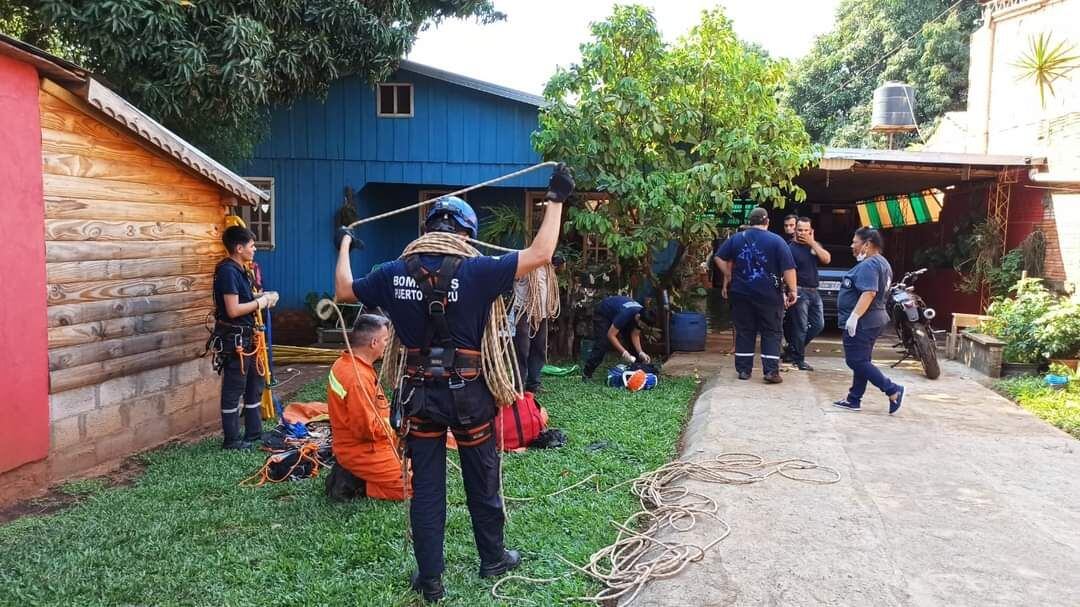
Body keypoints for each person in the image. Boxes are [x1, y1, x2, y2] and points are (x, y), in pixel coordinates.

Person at [333, 165, 574, 603]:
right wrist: (556, 199)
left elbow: (345, 290)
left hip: (419, 396)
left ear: (428, 229)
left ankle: (430, 581)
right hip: (470, 396)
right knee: (482, 479)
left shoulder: (392, 273)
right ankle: (493, 559)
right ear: (465, 233)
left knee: (427, 489)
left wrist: (346, 241)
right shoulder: (479, 270)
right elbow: (541, 253)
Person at [325, 314, 410, 502]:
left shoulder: (348, 363)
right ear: (373, 343)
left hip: (365, 444)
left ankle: (356, 475)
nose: (387, 345)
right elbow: (366, 429)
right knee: (414, 486)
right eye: (386, 340)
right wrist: (395, 427)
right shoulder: (357, 378)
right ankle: (355, 482)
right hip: (363, 449)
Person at [211, 226, 278, 450]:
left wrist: (264, 296)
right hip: (235, 340)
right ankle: (231, 440)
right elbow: (233, 309)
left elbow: (244, 298)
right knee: (234, 389)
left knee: (254, 384)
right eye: (251, 245)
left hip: (249, 338)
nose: (255, 249)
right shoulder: (228, 272)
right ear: (239, 248)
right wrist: (260, 303)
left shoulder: (241, 269)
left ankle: (254, 433)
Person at [715, 207, 796, 383]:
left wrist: (729, 276)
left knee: (745, 330)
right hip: (769, 296)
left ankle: (744, 371)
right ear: (767, 222)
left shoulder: (737, 238)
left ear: (750, 222)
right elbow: (788, 268)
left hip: (741, 293)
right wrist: (793, 290)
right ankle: (770, 372)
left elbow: (719, 257)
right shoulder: (777, 241)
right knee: (771, 331)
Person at [834, 227, 905, 414]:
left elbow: (869, 292)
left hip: (864, 321)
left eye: (855, 242)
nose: (852, 246)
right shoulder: (882, 262)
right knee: (862, 360)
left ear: (867, 244)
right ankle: (854, 399)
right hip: (874, 319)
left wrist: (854, 317)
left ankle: (892, 389)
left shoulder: (869, 265)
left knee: (855, 361)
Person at [784, 217, 831, 371]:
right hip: (799, 290)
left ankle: (792, 349)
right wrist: (790, 291)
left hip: (814, 291)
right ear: (795, 231)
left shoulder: (814, 246)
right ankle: (798, 359)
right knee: (801, 327)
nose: (803, 233)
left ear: (811, 231)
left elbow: (826, 259)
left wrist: (812, 243)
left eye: (806, 230)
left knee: (818, 324)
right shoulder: (790, 248)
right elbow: (786, 271)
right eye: (800, 230)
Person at [511, 255, 563, 394]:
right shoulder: (522, 263)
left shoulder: (547, 266)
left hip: (542, 313)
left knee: (539, 348)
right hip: (523, 311)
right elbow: (513, 278)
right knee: (522, 348)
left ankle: (534, 383)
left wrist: (558, 263)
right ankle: (519, 384)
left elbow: (554, 279)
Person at [582, 295, 656, 380]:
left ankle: (636, 373)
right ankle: (587, 373)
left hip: (619, 313)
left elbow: (635, 335)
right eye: (642, 325)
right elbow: (611, 335)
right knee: (602, 344)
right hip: (603, 313)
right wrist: (624, 353)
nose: (642, 328)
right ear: (638, 317)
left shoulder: (643, 314)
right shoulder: (625, 315)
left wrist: (640, 352)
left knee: (634, 348)